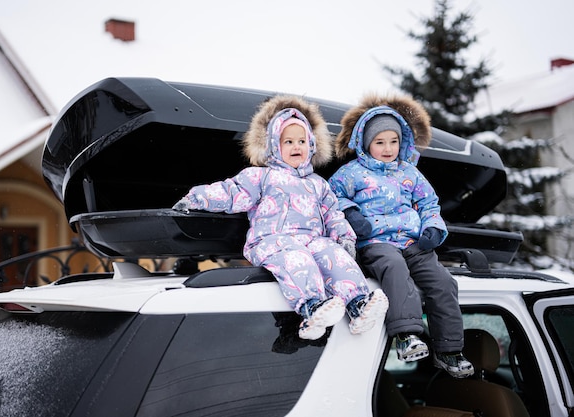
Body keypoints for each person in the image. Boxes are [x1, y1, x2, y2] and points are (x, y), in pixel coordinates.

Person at [173, 95, 388, 341]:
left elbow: (333, 214)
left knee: (332, 253)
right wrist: (197, 198)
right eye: (289, 141)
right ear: (275, 145)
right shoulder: (261, 177)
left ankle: (357, 305)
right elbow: (232, 192)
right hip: (272, 240)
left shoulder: (318, 184)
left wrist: (343, 237)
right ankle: (312, 307)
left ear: (312, 145)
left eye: (302, 141)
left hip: (311, 239)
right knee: (297, 258)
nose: (297, 147)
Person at [328, 93, 474, 378]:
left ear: (402, 141)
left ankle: (448, 350)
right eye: (380, 142)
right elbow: (331, 197)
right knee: (395, 270)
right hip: (376, 243)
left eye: (393, 141)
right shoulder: (351, 173)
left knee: (443, 282)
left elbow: (429, 204)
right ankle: (406, 335)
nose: (387, 148)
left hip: (413, 243)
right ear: (366, 143)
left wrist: (433, 228)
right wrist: (352, 215)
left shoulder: (411, 173)